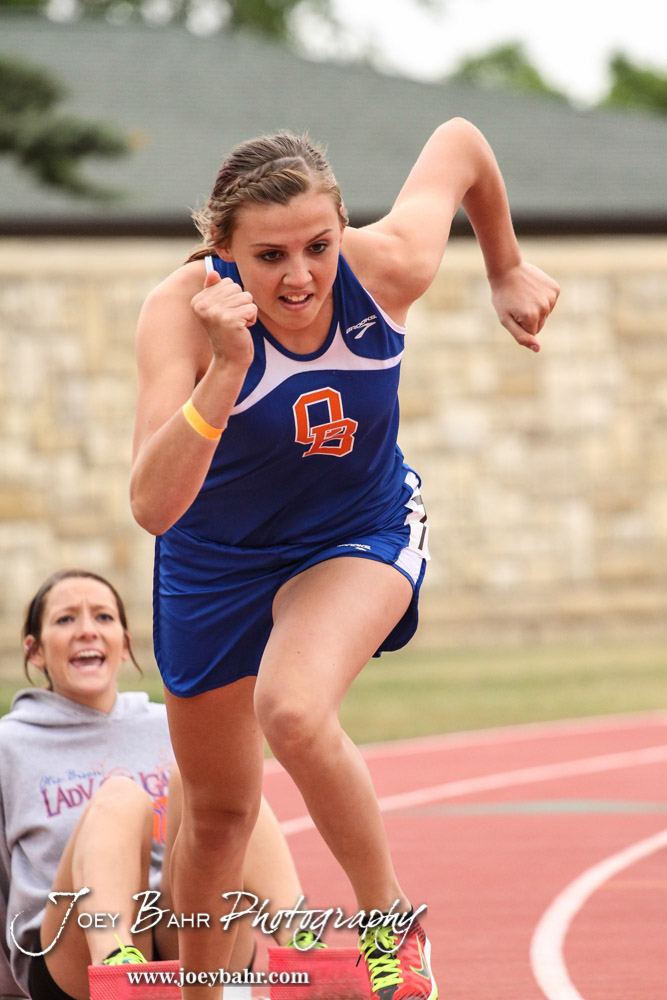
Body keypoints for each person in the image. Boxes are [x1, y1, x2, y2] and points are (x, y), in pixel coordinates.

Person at [129, 118, 560, 1000]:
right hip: (213, 561)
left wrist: (504, 265)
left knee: (291, 710)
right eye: (270, 257)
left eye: (318, 247)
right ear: (221, 250)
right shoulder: (179, 313)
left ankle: (387, 924)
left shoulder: (386, 266)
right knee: (217, 816)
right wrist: (225, 369)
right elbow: (152, 505)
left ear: (340, 228)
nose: (300, 277)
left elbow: (460, 142)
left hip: (353, 531)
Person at [0, 568, 308, 1000]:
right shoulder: (10, 744)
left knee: (217, 781)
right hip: (72, 953)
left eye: (103, 617)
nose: (87, 630)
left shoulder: (170, 725)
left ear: (125, 644)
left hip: (181, 930)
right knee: (121, 797)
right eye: (66, 619)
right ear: (34, 652)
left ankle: (305, 947)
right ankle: (119, 970)